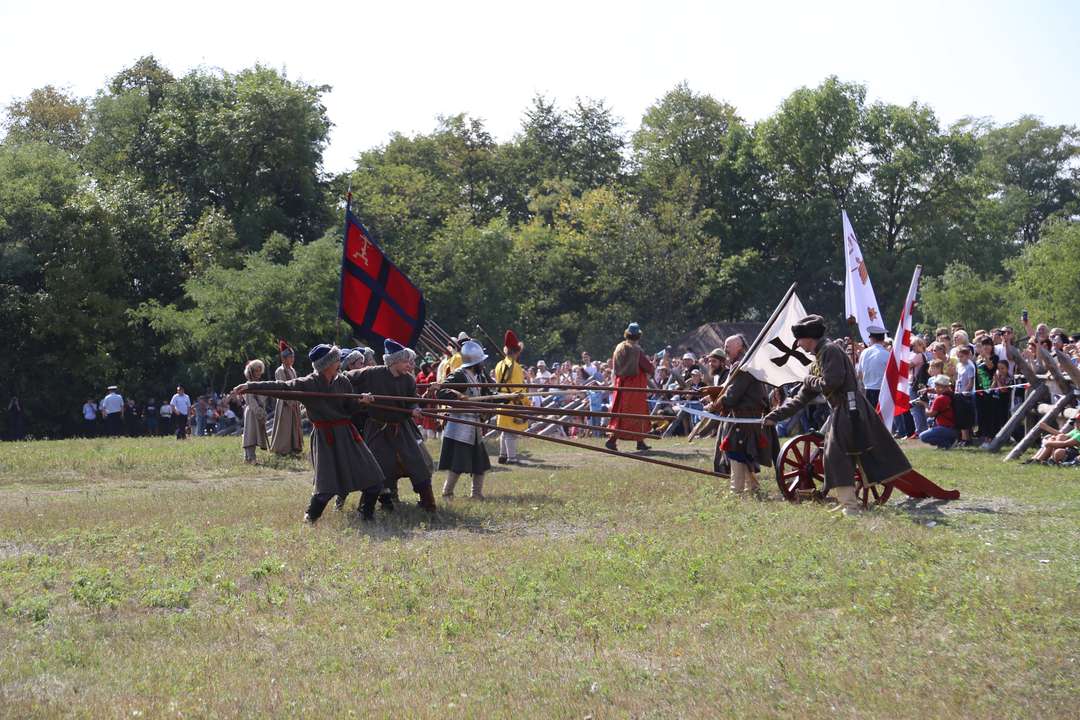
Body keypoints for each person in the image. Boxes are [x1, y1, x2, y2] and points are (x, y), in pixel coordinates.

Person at [763, 315, 912, 515]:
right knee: (838, 455)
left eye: (799, 340)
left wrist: (809, 380)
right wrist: (776, 415)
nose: (798, 345)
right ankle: (846, 502)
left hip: (851, 408)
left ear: (809, 337)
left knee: (836, 454)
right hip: (842, 409)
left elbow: (831, 382)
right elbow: (802, 398)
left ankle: (850, 507)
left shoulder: (830, 350)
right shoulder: (819, 357)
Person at [235, 344, 385, 522]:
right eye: (336, 359)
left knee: (373, 478)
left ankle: (366, 515)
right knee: (327, 486)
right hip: (325, 438)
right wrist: (250, 386)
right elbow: (282, 387)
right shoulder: (309, 383)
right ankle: (310, 518)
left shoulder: (343, 381)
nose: (339, 362)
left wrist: (361, 401)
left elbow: (349, 407)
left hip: (347, 434)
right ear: (326, 364)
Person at [345, 339, 438, 513]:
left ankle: (429, 505)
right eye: (405, 361)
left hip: (401, 427)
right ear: (394, 361)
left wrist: (415, 409)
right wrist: (359, 397)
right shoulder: (371, 373)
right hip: (377, 428)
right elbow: (345, 379)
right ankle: (366, 508)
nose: (409, 364)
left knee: (418, 464)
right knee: (377, 467)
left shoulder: (409, 380)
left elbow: (413, 400)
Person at [706, 334, 774, 495]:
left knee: (735, 450)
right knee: (741, 452)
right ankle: (753, 487)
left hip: (746, 417)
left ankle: (736, 491)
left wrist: (714, 406)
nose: (725, 350)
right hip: (744, 416)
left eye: (728, 347)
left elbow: (732, 395)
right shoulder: (743, 364)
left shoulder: (744, 366)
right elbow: (729, 390)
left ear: (739, 347)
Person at [436, 340, 494, 499]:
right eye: (481, 360)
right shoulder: (459, 375)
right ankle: (447, 493)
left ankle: (476, 495)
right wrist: (459, 396)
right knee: (458, 465)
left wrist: (509, 398)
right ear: (475, 362)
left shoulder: (478, 376)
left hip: (473, 426)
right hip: (460, 426)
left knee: (480, 464)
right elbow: (441, 392)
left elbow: (487, 397)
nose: (484, 363)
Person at [605, 322, 655, 452]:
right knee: (635, 413)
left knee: (620, 412)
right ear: (638, 335)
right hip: (634, 386)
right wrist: (652, 366)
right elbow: (647, 367)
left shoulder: (619, 347)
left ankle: (639, 441)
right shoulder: (636, 350)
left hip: (620, 383)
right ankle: (612, 440)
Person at [492, 329, 529, 464]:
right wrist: (526, 402)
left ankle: (503, 455)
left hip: (501, 400)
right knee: (511, 432)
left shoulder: (499, 365)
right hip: (512, 401)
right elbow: (519, 388)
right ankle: (512, 458)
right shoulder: (516, 367)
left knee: (504, 430)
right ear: (516, 351)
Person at [270, 340, 304, 456]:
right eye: (290, 357)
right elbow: (281, 387)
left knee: (294, 426)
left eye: (293, 357)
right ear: (283, 359)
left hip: (294, 401)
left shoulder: (292, 370)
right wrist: (290, 401)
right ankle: (282, 449)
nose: (292, 359)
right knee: (284, 426)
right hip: (284, 402)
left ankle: (294, 448)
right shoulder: (280, 371)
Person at [241, 360, 270, 463]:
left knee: (255, 435)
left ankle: (249, 458)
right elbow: (251, 401)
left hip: (259, 411)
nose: (258, 373)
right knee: (250, 435)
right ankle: (249, 458)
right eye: (255, 371)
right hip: (252, 412)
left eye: (259, 370)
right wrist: (259, 412)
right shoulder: (248, 385)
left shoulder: (260, 384)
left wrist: (262, 412)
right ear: (251, 372)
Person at [918, 375, 958, 449]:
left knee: (923, 437)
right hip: (955, 428)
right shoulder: (951, 394)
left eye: (936, 386)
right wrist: (927, 390)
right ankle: (950, 440)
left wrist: (925, 405)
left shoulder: (940, 399)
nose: (935, 388)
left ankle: (947, 444)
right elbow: (940, 390)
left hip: (946, 429)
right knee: (930, 421)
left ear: (941, 387)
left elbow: (930, 414)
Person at [857, 326, 890, 407]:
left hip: (867, 390)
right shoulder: (887, 354)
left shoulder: (864, 352)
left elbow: (859, 373)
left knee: (870, 417)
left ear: (872, 338)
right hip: (882, 391)